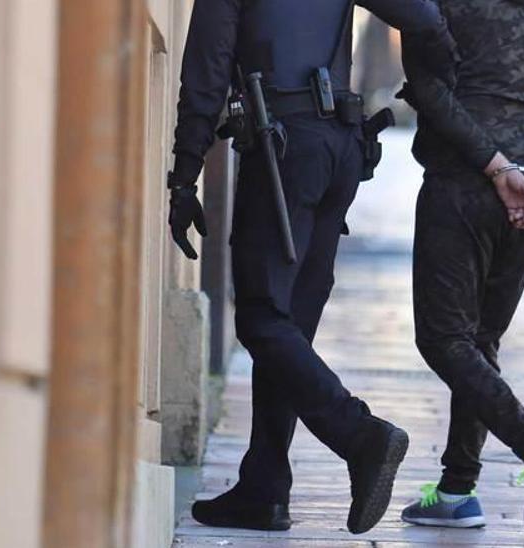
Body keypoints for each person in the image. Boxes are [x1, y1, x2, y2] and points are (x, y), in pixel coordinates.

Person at [165, 0, 458, 535]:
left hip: (285, 149)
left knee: (260, 318)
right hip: (339, 147)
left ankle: (360, 436)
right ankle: (264, 487)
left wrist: (184, 177)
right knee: (289, 327)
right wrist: (429, 86)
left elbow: (206, 74)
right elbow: (424, 18)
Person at [390, 0, 524, 532]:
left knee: (443, 339)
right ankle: (458, 489)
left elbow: (432, 91)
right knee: (479, 342)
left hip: (464, 185)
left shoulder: (442, 7)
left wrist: (496, 166)